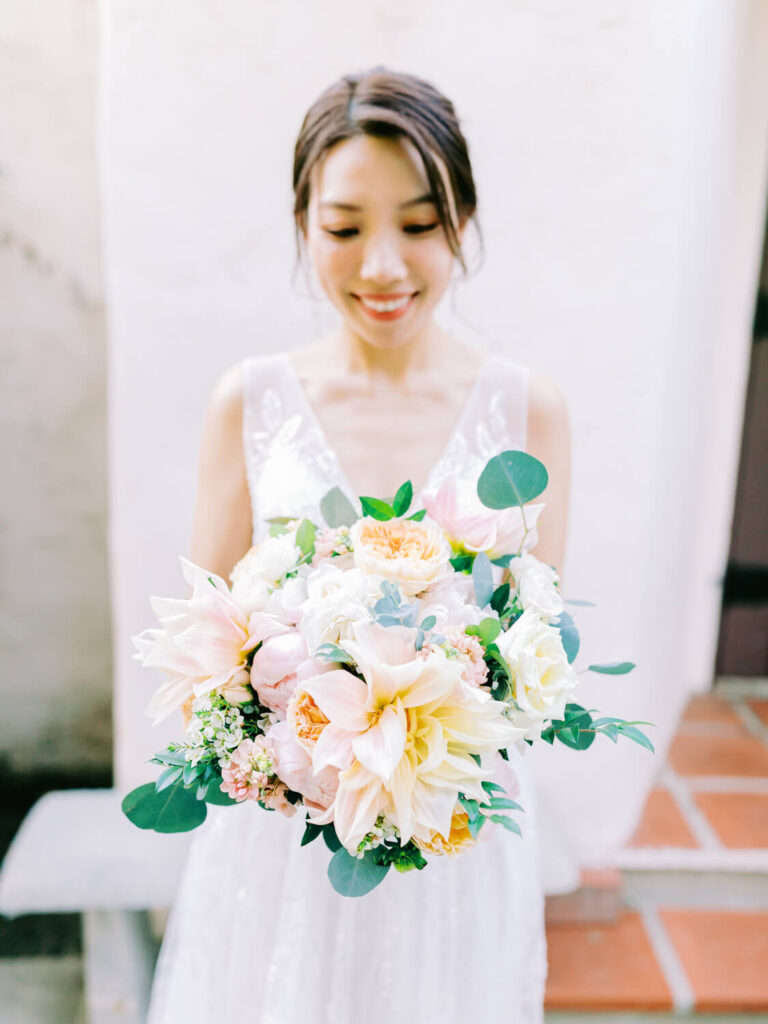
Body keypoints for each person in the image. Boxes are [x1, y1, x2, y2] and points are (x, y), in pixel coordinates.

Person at [146, 66, 571, 1024]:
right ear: (305, 225)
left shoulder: (526, 411)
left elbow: (533, 658)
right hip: (284, 852)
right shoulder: (247, 403)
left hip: (453, 840)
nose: (382, 266)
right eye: (345, 228)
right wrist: (293, 740)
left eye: (419, 225)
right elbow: (208, 650)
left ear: (463, 219)